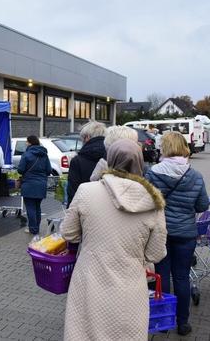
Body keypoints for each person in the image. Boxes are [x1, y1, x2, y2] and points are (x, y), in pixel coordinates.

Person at [62, 139, 167, 340]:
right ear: (140, 162)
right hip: (130, 286)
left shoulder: (86, 190)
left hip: (89, 279)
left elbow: (69, 233)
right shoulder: (153, 201)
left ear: (109, 160)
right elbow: (156, 253)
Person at [145, 131, 209, 336]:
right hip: (186, 234)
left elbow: (147, 203)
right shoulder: (195, 176)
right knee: (182, 277)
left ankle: (163, 321)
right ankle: (183, 323)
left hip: (160, 234)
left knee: (162, 277)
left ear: (164, 148)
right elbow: (202, 205)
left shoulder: (152, 173)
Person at [17, 135, 52, 235]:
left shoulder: (26, 155)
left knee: (30, 208)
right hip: (41, 184)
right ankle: (36, 227)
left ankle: (33, 229)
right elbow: (49, 170)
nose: (26, 144)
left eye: (26, 142)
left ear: (30, 143)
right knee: (37, 207)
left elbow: (20, 170)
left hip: (29, 184)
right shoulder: (44, 154)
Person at [66, 121, 106, 206]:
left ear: (87, 137)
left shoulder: (78, 161)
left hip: (85, 207)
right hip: (107, 209)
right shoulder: (112, 156)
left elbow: (73, 193)